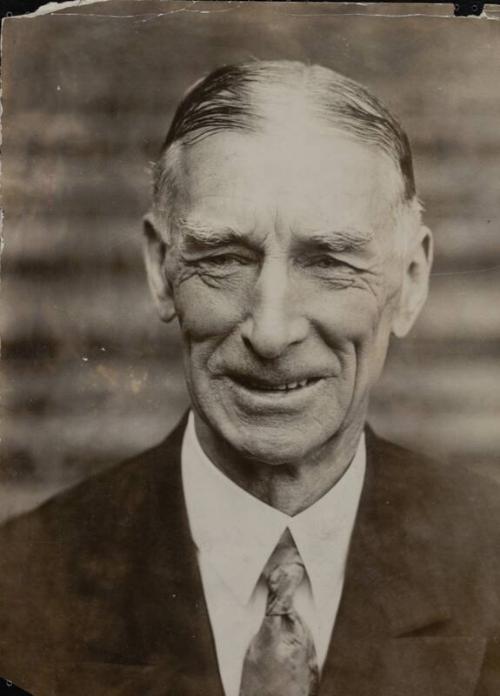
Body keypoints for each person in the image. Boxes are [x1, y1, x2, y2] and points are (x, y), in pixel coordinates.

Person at [0, 60, 499, 696]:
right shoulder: (17, 589)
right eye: (225, 258)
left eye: (329, 261)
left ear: (410, 283)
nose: (270, 330)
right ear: (161, 268)